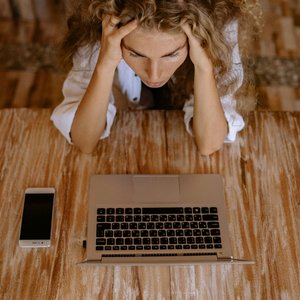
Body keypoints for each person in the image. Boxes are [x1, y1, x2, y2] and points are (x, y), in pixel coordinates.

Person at [51, 0, 258, 155]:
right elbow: (84, 142)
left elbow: (209, 144)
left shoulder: (219, 25)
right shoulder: (102, 27)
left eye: (171, 54)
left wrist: (204, 68)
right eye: (136, 54)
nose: (154, 74)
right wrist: (104, 66)